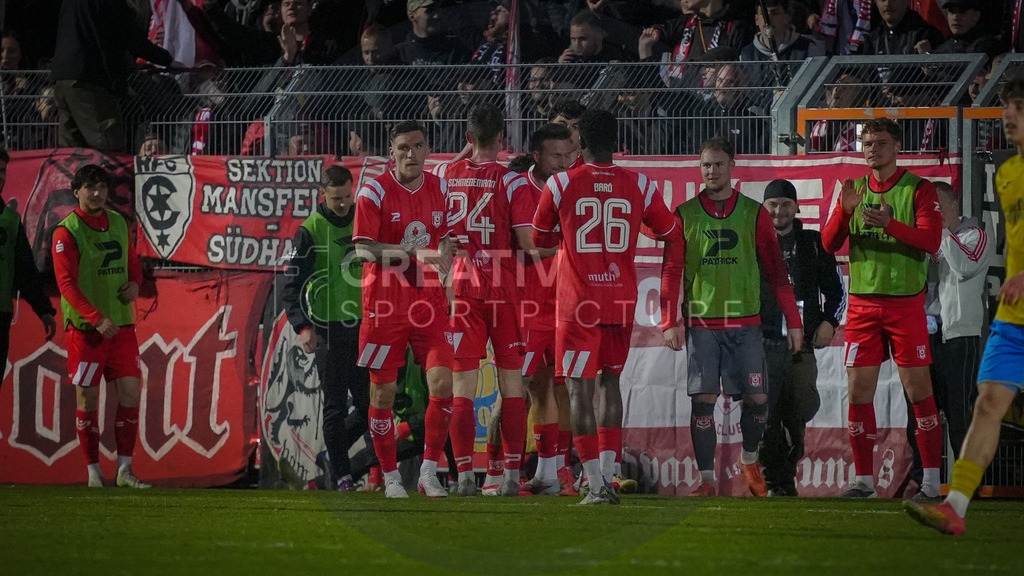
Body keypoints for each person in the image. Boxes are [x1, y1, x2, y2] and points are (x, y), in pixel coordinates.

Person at [532, 109, 682, 505]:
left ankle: (595, 483)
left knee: (579, 390)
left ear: (580, 141)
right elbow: (671, 231)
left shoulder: (561, 183)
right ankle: (609, 474)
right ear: (616, 141)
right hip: (620, 300)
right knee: (610, 384)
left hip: (578, 304)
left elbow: (540, 239)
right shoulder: (640, 184)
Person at [904, 77, 1024, 536]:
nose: (1007, 115)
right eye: (1005, 106)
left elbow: (967, 264)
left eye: (1017, 106)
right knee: (986, 404)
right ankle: (954, 505)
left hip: (968, 330)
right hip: (1011, 320)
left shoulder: (969, 228)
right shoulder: (1009, 175)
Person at [660, 138, 803, 497]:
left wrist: (794, 321)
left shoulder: (754, 213)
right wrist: (668, 321)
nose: (712, 171)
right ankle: (707, 480)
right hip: (703, 324)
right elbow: (671, 270)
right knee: (702, 402)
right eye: (706, 165)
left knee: (758, 400)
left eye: (718, 164)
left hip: (745, 324)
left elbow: (776, 271)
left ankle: (749, 459)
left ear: (732, 167)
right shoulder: (684, 214)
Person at [821, 118, 943, 499]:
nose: (872, 149)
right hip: (862, 306)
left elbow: (931, 241)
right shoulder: (853, 189)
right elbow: (829, 244)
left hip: (906, 305)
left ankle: (932, 483)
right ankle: (864, 482)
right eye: (867, 143)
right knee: (858, 393)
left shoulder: (918, 189)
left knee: (919, 393)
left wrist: (890, 225)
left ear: (897, 146)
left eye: (881, 142)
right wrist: (844, 212)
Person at [352, 120, 455, 499]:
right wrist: (412, 252)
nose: (411, 154)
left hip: (429, 302)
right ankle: (391, 477)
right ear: (391, 153)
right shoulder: (374, 191)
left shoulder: (440, 188)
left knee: (443, 385)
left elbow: (445, 239)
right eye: (403, 148)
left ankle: (429, 473)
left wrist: (446, 262)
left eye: (417, 146)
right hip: (384, 305)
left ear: (427, 149)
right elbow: (363, 249)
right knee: (383, 395)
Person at [433, 103, 530, 497]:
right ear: (502, 138)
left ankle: (464, 478)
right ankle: (510, 477)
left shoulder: (446, 176)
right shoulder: (513, 182)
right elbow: (526, 241)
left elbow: (453, 169)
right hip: (504, 289)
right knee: (512, 385)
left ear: (468, 137)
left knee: (463, 388)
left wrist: (466, 151)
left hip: (462, 288)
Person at [52, 165, 149, 489]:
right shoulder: (66, 232)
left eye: (102, 187)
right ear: (76, 192)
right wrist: (95, 318)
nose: (97, 193)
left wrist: (135, 284)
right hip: (86, 331)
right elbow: (66, 284)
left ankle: (124, 470)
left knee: (131, 391)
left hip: (122, 327)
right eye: (90, 187)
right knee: (88, 399)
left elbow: (133, 264)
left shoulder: (119, 221)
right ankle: (93, 472)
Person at [282, 165, 369, 492]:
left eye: (347, 196)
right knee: (335, 405)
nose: (343, 204)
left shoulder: (363, 218)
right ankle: (343, 476)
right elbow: (291, 286)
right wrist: (303, 327)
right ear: (322, 195)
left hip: (364, 326)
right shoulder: (310, 230)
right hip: (328, 329)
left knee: (370, 407)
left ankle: (332, 456)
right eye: (336, 199)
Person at [758, 179, 845, 497]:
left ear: (796, 207)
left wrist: (829, 322)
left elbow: (837, 291)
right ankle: (774, 482)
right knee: (764, 413)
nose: (778, 211)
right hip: (762, 342)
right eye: (772, 205)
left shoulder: (813, 243)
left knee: (799, 409)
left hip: (801, 345)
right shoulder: (752, 243)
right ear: (763, 209)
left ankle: (785, 476)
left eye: (785, 204)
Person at [513, 123, 580, 496]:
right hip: (526, 305)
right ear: (536, 155)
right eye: (556, 155)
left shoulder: (574, 187)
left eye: (568, 155)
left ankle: (557, 472)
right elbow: (527, 245)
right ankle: (504, 470)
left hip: (566, 304)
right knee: (521, 390)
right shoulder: (517, 188)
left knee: (564, 388)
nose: (563, 162)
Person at [50, 0, 182, 153]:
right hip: (90, 81)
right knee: (110, 146)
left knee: (70, 153)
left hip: (63, 77)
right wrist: (167, 60)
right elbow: (130, 36)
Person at [0, 148, 57, 370]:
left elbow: (25, 269)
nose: (0, 176)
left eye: (2, 171)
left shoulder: (10, 219)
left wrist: (43, 309)